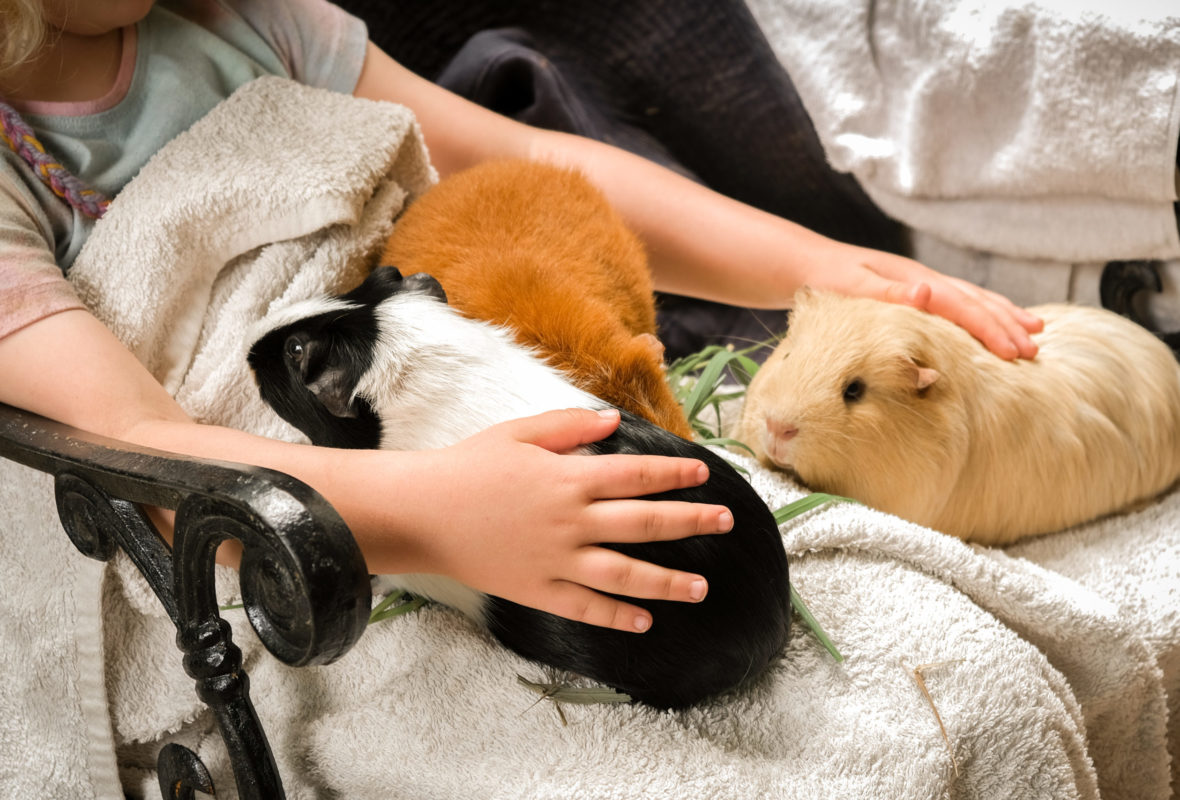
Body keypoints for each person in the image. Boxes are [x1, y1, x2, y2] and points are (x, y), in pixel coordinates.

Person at [0, 0, 1042, 636]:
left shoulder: (246, 18)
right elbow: (140, 443)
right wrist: (443, 513)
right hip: (287, 524)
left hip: (441, 381)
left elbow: (520, 162)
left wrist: (821, 268)